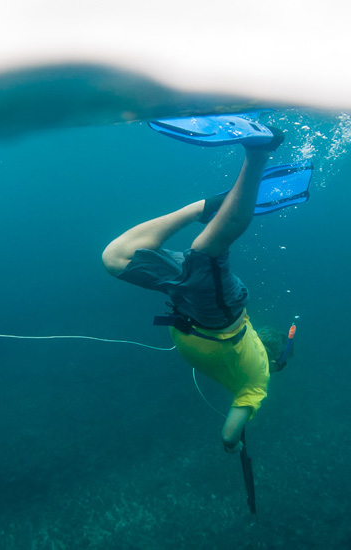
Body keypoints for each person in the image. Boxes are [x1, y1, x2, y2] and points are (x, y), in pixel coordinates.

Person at [102, 127, 292, 454]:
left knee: (115, 259)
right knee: (207, 251)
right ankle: (258, 152)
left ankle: (202, 209)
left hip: (187, 304)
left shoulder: (257, 358)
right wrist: (236, 444)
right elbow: (229, 435)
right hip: (219, 315)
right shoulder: (258, 385)